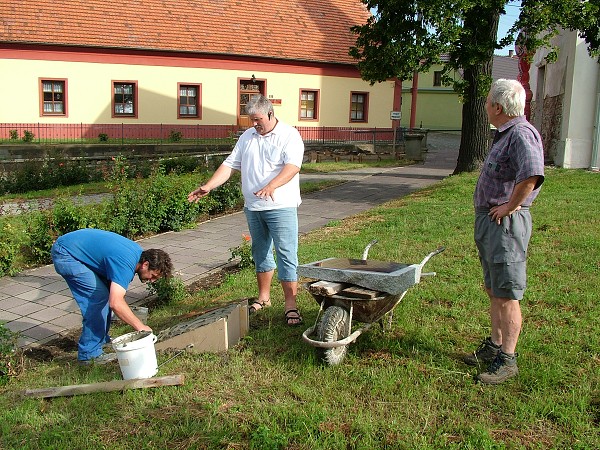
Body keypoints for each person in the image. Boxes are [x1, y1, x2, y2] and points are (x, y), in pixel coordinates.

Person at [188, 95, 304, 326]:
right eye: (251, 120)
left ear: (270, 114)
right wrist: (208, 186)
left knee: (286, 254)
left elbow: (293, 167)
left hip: (280, 206)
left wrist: (272, 185)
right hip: (254, 207)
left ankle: (290, 304)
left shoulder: (289, 135)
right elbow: (230, 164)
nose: (254, 124)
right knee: (260, 253)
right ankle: (264, 298)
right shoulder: (247, 137)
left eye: (257, 119)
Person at [463, 79, 545, 384]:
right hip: (491, 223)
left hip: (505, 225)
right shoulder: (505, 134)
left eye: (487, 102)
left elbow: (532, 175)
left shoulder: (522, 134)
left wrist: (509, 206)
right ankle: (494, 346)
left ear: (497, 107)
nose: (485, 106)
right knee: (494, 288)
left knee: (507, 293)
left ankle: (508, 360)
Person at [51, 228, 173, 364]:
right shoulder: (125, 265)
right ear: (145, 264)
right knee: (98, 299)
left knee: (107, 294)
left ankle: (101, 341)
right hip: (67, 254)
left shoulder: (136, 255)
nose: (152, 280)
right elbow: (116, 303)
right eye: (153, 276)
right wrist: (140, 327)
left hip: (72, 247)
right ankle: (89, 355)